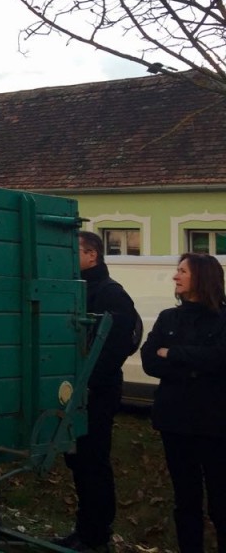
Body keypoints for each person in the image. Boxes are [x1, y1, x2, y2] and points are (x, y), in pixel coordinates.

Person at [54, 231, 141, 553]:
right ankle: (85, 529)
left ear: (93, 255)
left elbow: (117, 344)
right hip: (72, 392)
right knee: (78, 462)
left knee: (93, 462)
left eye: (73, 249)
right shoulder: (72, 289)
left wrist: (89, 381)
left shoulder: (110, 293)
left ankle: (96, 534)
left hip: (96, 393)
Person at [141, 253, 226, 553]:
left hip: (215, 425)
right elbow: (150, 360)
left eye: (182, 271)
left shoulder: (222, 319)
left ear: (202, 277)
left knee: (221, 500)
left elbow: (219, 359)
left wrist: (174, 354)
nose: (175, 277)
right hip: (175, 422)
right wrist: (195, 364)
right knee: (185, 499)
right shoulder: (168, 317)